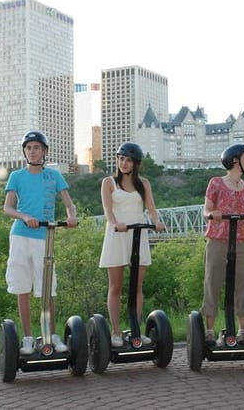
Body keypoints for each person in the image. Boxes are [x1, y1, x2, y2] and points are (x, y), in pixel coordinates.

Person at [3, 131, 78, 355]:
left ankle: (52, 335)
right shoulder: (16, 176)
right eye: (29, 148)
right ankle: (27, 338)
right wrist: (25, 217)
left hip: (44, 236)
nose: (33, 151)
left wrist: (72, 216)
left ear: (44, 151)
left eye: (37, 147)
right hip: (20, 236)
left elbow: (68, 204)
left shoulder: (54, 176)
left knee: (47, 288)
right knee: (22, 287)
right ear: (25, 151)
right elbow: (7, 208)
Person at [99, 142, 165, 347]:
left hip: (138, 233)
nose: (123, 163)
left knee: (137, 286)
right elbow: (108, 210)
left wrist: (156, 221)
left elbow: (151, 208)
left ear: (135, 163)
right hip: (118, 234)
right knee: (116, 286)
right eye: (120, 159)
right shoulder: (108, 182)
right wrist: (115, 223)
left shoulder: (143, 183)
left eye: (127, 160)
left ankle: (135, 329)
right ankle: (116, 332)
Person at [201, 143, 244, 345]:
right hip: (217, 239)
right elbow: (205, 210)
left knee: (243, 283)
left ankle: (242, 330)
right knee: (213, 281)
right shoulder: (216, 183)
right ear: (236, 161)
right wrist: (212, 214)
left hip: (242, 240)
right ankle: (209, 330)